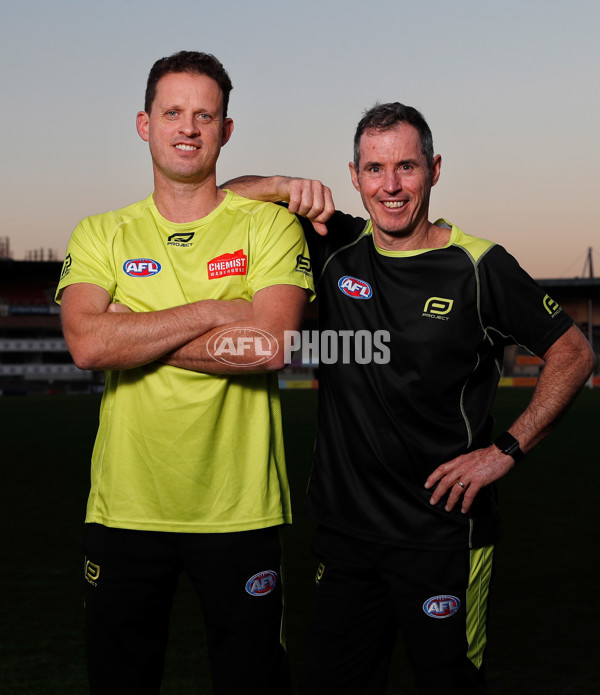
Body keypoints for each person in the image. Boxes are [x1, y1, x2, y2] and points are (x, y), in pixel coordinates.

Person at [224, 102, 596, 694]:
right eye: (373, 169)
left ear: (435, 169)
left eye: (406, 167)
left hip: (443, 537)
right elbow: (222, 202)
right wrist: (282, 185)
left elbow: (573, 353)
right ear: (353, 176)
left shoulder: (479, 266)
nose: (390, 186)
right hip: (346, 538)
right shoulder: (335, 245)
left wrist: (505, 450)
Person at [55, 51, 314, 695]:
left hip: (240, 508)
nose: (188, 128)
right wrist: (211, 311)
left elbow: (269, 346)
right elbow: (86, 345)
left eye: (205, 115)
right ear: (144, 124)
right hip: (125, 509)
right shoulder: (100, 233)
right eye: (173, 112)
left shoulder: (272, 225)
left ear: (226, 130)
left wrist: (133, 333)